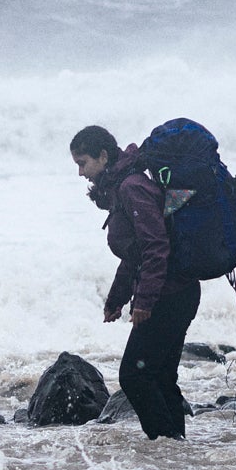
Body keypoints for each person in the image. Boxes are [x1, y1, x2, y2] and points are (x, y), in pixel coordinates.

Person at [72, 124, 197, 439]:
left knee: (134, 377)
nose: (80, 173)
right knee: (162, 377)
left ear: (103, 155)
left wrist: (144, 302)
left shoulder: (131, 187)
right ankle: (175, 452)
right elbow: (135, 254)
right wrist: (117, 298)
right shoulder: (121, 186)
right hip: (176, 291)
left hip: (170, 295)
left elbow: (156, 247)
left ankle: (163, 443)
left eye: (83, 163)